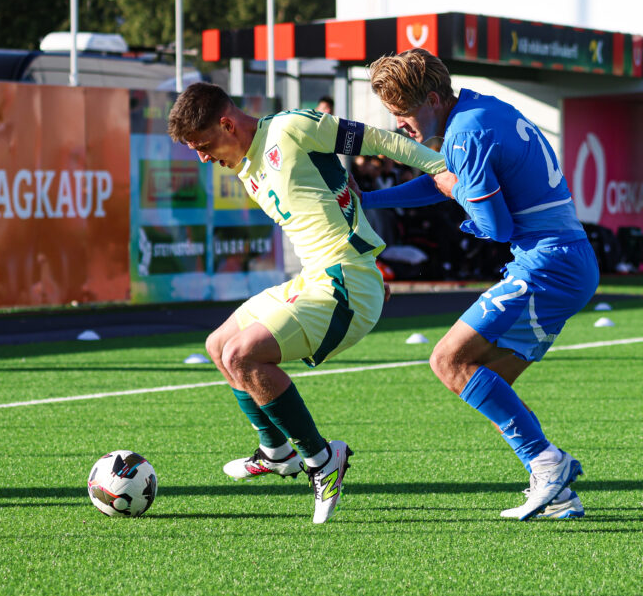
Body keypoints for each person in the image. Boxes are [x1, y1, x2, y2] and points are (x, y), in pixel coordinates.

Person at [167, 82, 445, 523]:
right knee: (220, 345)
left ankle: (321, 461)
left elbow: (376, 140)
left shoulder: (291, 128)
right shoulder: (246, 168)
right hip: (319, 278)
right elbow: (334, 198)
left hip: (342, 284)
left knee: (244, 356)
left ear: (226, 123)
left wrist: (441, 166)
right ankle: (276, 452)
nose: (202, 158)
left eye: (203, 146)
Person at [360, 49, 597, 521]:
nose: (403, 126)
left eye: (404, 115)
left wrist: (459, 197)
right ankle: (556, 489)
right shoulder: (476, 108)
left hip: (546, 264)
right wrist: (367, 198)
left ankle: (548, 465)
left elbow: (496, 227)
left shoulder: (466, 133)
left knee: (447, 360)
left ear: (430, 99)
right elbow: (440, 180)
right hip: (569, 259)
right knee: (491, 384)